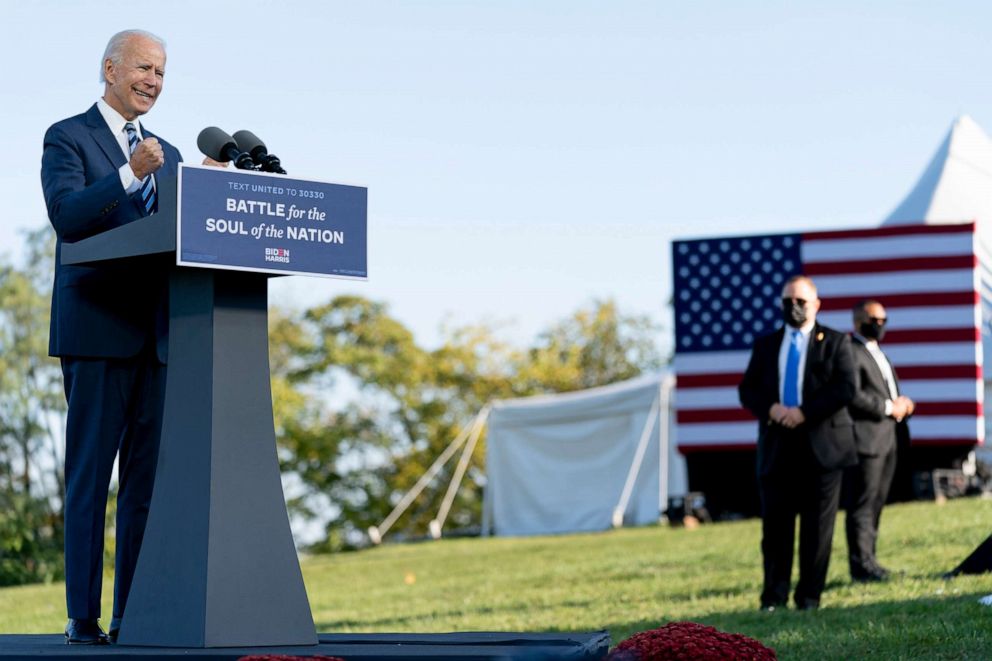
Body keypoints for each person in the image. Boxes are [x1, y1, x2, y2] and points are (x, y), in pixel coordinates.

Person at [40, 30, 182, 645]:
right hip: (97, 331)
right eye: (143, 68)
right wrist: (128, 172)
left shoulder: (169, 152)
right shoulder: (67, 136)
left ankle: (134, 613)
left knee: (145, 486)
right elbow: (68, 216)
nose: (152, 80)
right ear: (110, 69)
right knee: (90, 479)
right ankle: (83, 618)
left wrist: (201, 191)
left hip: (156, 336)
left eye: (160, 72)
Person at [738, 274, 858, 611]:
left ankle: (809, 597)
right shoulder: (766, 344)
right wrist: (772, 408)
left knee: (817, 529)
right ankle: (773, 597)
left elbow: (845, 388)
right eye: (787, 301)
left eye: (800, 301)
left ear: (816, 304)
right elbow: (747, 390)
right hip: (777, 450)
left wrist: (804, 412)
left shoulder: (835, 341)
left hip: (823, 449)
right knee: (775, 529)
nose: (793, 306)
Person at [845, 300, 913, 582]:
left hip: (888, 439)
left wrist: (903, 404)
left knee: (877, 502)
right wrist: (888, 407)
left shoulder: (878, 352)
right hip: (866, 440)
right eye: (875, 319)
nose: (881, 324)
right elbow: (853, 394)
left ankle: (870, 559)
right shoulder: (851, 351)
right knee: (863, 503)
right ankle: (861, 565)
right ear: (859, 321)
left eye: (884, 319)